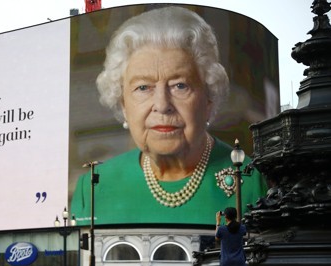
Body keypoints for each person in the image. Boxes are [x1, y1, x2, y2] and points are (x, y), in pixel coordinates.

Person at [71, 6, 266, 226]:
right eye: (143, 87)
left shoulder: (252, 182)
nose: (162, 105)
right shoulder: (93, 188)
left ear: (208, 99)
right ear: (123, 104)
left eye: (180, 85)